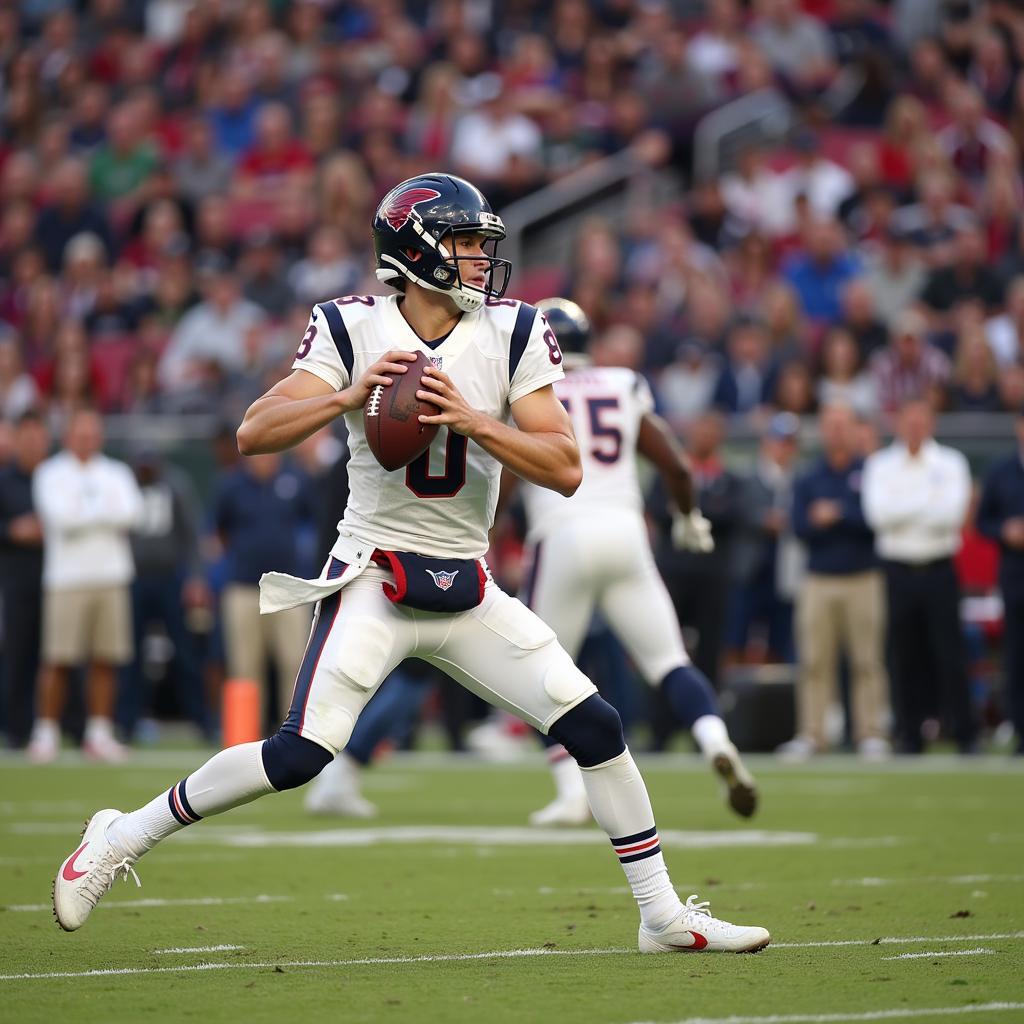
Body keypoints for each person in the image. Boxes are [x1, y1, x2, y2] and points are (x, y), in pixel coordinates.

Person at [51, 173, 770, 954]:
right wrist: (344, 397)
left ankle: (660, 914)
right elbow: (254, 432)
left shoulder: (515, 331)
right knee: (299, 754)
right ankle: (121, 834)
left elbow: (564, 467)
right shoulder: (350, 326)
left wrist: (472, 420)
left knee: (595, 724)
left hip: (466, 583)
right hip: (374, 578)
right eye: (463, 242)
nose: (478, 260)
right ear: (416, 249)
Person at [515, 300, 756, 825]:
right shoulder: (621, 383)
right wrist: (689, 517)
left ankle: (569, 791)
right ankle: (715, 739)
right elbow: (674, 462)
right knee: (670, 662)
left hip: (562, 533)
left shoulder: (524, 388)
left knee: (534, 672)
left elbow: (505, 473)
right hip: (626, 532)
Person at [26, 407, 143, 762]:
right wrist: (104, 513)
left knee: (105, 659)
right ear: (68, 435)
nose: (87, 439)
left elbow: (133, 512)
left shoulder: (116, 471)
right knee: (57, 659)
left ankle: (100, 732)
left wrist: (85, 513)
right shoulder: (50, 472)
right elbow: (61, 519)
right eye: (81, 432)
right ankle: (45, 732)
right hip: (66, 580)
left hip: (111, 577)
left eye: (93, 433)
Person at [862, 399, 975, 753]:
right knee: (903, 654)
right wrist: (926, 503)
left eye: (920, 420)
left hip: (939, 567)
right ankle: (909, 735)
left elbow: (951, 514)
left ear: (931, 424)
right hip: (898, 570)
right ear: (897, 423)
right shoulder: (880, 464)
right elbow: (878, 516)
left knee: (949, 654)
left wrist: (905, 508)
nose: (914, 427)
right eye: (908, 420)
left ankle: (965, 733)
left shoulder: (951, 462)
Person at [784, 403, 889, 759]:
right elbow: (800, 526)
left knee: (867, 660)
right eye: (831, 425)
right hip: (819, 579)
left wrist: (836, 514)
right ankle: (812, 733)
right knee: (814, 661)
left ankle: (870, 732)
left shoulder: (873, 472)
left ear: (855, 429)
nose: (837, 432)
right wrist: (831, 519)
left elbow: (875, 519)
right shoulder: (810, 476)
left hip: (863, 577)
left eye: (843, 425)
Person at [977, 407, 1024, 755]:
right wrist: (1005, 531)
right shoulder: (1001, 470)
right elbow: (983, 522)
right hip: (1015, 575)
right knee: (1016, 656)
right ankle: (1020, 729)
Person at [0, 411, 49, 748]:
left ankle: (56, 726)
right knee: (16, 653)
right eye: (26, 437)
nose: (32, 444)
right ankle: (14, 728)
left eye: (38, 437)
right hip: (16, 579)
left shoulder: (55, 477)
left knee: (54, 656)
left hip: (55, 577)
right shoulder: (4, 481)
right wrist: (13, 531)